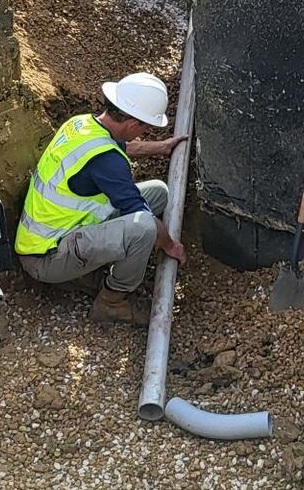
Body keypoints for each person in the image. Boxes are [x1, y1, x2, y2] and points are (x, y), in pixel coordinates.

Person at [12, 71, 188, 325]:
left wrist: (160, 147)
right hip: (46, 258)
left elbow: (119, 145)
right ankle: (111, 302)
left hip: (57, 233)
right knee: (145, 228)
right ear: (131, 124)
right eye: (145, 127)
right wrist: (171, 245)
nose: (144, 133)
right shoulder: (107, 162)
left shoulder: (81, 124)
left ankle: (87, 273)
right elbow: (142, 216)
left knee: (158, 192)